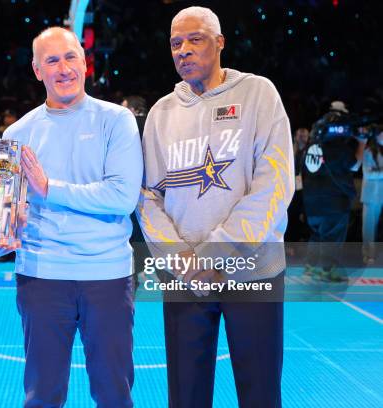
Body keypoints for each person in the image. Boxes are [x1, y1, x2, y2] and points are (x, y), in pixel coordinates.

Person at [0, 27, 143, 407]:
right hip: (42, 275)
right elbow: (0, 217)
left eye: (70, 58)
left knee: (114, 392)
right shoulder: (16, 133)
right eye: (52, 60)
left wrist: (49, 188)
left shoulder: (116, 120)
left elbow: (122, 197)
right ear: (37, 70)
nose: (63, 68)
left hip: (107, 275)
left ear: (85, 64)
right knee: (43, 394)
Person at [137, 7, 293, 408]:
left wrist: (215, 253)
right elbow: (148, 196)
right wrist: (180, 259)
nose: (184, 50)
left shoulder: (258, 93)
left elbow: (274, 183)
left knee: (260, 394)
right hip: (185, 278)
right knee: (186, 397)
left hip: (252, 270)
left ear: (220, 42)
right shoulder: (160, 114)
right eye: (176, 43)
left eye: (195, 39)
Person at [302, 100, 366, 280]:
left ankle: (310, 266)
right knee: (332, 236)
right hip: (333, 200)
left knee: (317, 233)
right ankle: (328, 271)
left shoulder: (313, 142)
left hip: (311, 200)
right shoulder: (338, 146)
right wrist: (361, 142)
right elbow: (355, 165)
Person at [361, 131, 383, 264]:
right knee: (369, 227)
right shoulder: (368, 151)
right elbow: (368, 173)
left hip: (380, 195)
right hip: (371, 196)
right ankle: (368, 254)